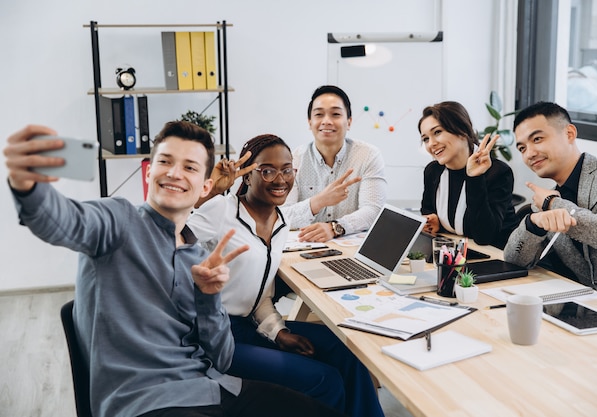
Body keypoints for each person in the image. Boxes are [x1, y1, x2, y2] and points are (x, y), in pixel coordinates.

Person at [4, 122, 347, 417]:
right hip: (146, 402)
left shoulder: (197, 255)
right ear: (149, 171)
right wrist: (28, 187)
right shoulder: (117, 220)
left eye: (190, 167)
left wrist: (209, 296)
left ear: (205, 186)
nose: (174, 173)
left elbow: (222, 356)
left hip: (212, 389)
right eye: (165, 162)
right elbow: (63, 221)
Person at [187, 134, 384, 417]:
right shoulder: (222, 209)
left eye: (287, 169)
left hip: (248, 326)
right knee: (325, 380)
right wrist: (209, 195)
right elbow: (171, 238)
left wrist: (278, 331)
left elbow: (261, 297)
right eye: (266, 170)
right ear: (247, 175)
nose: (280, 179)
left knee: (348, 354)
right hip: (215, 335)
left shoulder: (281, 221)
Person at [503, 101, 597, 302]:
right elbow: (514, 261)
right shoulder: (544, 203)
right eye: (522, 148)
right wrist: (532, 224)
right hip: (583, 312)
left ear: (569, 134)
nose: (530, 153)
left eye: (537, 139)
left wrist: (554, 204)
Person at [282, 85, 387, 243]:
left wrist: (335, 227)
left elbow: (373, 210)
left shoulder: (368, 155)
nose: (327, 121)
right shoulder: (294, 159)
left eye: (336, 114)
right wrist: (318, 201)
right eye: (319, 114)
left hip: (351, 252)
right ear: (310, 122)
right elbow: (282, 215)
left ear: (349, 122)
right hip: (305, 248)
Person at [418, 101, 518, 249]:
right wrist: (433, 221)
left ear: (462, 131)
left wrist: (474, 177)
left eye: (437, 132)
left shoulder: (497, 172)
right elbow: (428, 210)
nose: (431, 144)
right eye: (425, 138)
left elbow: (484, 236)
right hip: (454, 250)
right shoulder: (433, 171)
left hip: (495, 256)